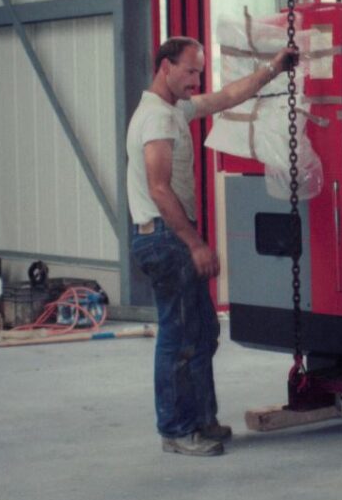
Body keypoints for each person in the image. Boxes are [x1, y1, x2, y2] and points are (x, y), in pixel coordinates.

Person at [127, 36, 296, 457]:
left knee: (203, 333)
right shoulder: (156, 119)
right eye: (189, 70)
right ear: (165, 66)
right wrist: (195, 243)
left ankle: (201, 419)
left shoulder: (175, 110)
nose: (195, 79)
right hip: (165, 238)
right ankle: (176, 429)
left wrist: (273, 68)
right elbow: (159, 189)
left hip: (173, 236)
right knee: (180, 336)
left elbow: (225, 97)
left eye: (199, 71)